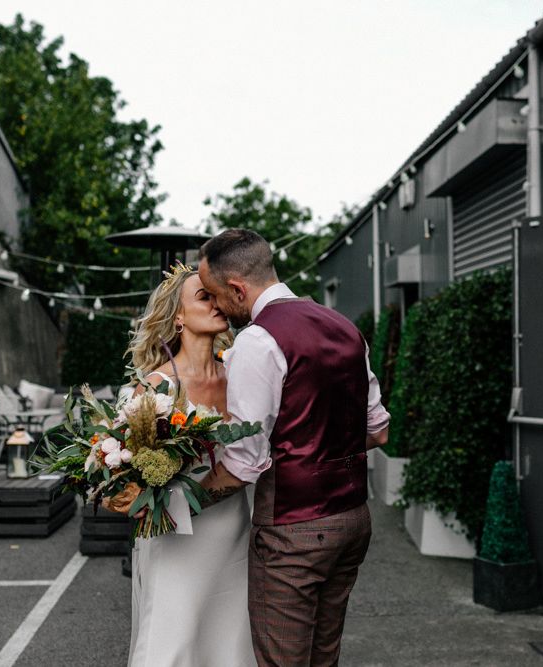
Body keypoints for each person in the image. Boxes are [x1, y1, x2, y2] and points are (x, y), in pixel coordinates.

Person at [198, 228, 390, 667]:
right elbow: (378, 431)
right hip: (353, 521)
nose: (219, 309)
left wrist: (181, 504)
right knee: (324, 657)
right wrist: (322, 447)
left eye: (214, 295)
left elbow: (243, 463)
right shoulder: (345, 327)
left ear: (237, 288)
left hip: (293, 532)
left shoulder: (258, 341)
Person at [108, 264, 256, 667]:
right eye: (203, 297)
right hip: (176, 536)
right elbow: (121, 469)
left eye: (217, 295)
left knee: (229, 643)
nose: (216, 303)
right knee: (169, 643)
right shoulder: (157, 387)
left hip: (235, 530)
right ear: (177, 316)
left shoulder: (240, 376)